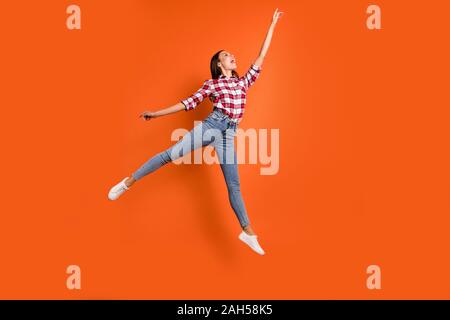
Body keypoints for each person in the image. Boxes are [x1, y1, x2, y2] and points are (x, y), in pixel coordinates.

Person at [108, 8, 284, 255]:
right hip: (213, 126)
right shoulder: (212, 84)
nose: (232, 56)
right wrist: (156, 113)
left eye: (231, 54)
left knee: (234, 185)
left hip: (229, 133)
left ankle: (248, 232)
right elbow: (187, 103)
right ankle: (128, 182)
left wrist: (272, 25)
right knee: (170, 155)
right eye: (226, 55)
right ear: (219, 63)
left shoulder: (242, 83)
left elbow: (261, 57)